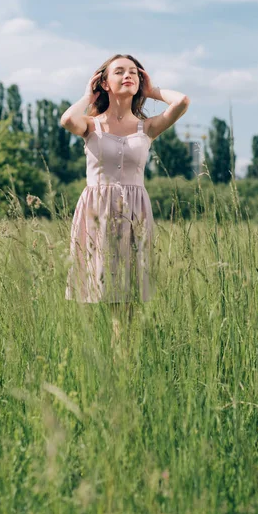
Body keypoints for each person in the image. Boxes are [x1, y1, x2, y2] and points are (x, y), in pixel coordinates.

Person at [61, 53, 190, 336]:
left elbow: (181, 102)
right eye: (119, 72)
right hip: (98, 213)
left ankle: (125, 358)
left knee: (129, 296)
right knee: (104, 292)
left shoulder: (148, 128)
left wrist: (152, 91)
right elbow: (68, 119)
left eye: (134, 72)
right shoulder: (91, 125)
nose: (128, 75)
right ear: (104, 83)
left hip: (135, 213)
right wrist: (89, 96)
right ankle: (110, 353)